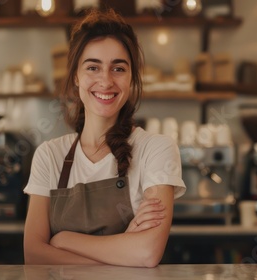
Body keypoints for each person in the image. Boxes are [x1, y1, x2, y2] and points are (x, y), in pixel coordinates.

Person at [23, 8, 186, 267]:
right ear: (76, 76)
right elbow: (33, 255)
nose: (106, 80)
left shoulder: (156, 150)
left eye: (118, 68)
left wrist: (64, 240)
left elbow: (147, 253)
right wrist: (121, 254)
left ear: (132, 78)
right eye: (93, 67)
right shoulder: (49, 155)